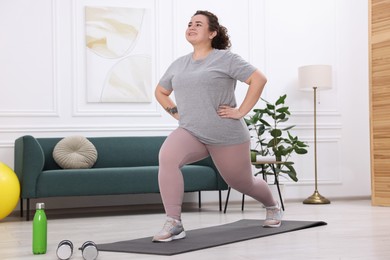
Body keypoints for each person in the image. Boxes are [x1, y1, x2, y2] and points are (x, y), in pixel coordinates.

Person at [152, 10, 282, 243]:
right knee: (167, 157)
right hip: (191, 131)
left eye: (198, 24)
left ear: (212, 33)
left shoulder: (226, 59)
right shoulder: (179, 64)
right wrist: (176, 113)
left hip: (226, 134)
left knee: (242, 183)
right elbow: (161, 91)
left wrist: (241, 111)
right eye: (189, 23)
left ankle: (272, 206)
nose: (191, 27)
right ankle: (174, 222)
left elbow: (258, 79)